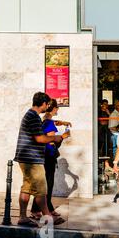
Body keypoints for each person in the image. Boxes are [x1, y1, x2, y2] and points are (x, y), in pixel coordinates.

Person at [14, 92, 70, 227]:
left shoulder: (31, 115)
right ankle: (47, 217)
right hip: (32, 159)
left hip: (26, 157)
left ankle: (23, 217)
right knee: (41, 189)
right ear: (43, 104)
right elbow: (39, 138)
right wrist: (55, 138)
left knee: (26, 188)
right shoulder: (33, 117)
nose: (48, 107)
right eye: (47, 104)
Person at [30, 99, 71, 219]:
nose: (58, 109)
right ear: (54, 109)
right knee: (47, 184)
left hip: (45, 156)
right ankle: (36, 210)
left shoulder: (46, 120)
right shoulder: (49, 123)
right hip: (48, 156)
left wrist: (62, 122)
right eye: (57, 107)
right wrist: (63, 136)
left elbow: (49, 120)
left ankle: (48, 207)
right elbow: (52, 141)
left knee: (47, 184)